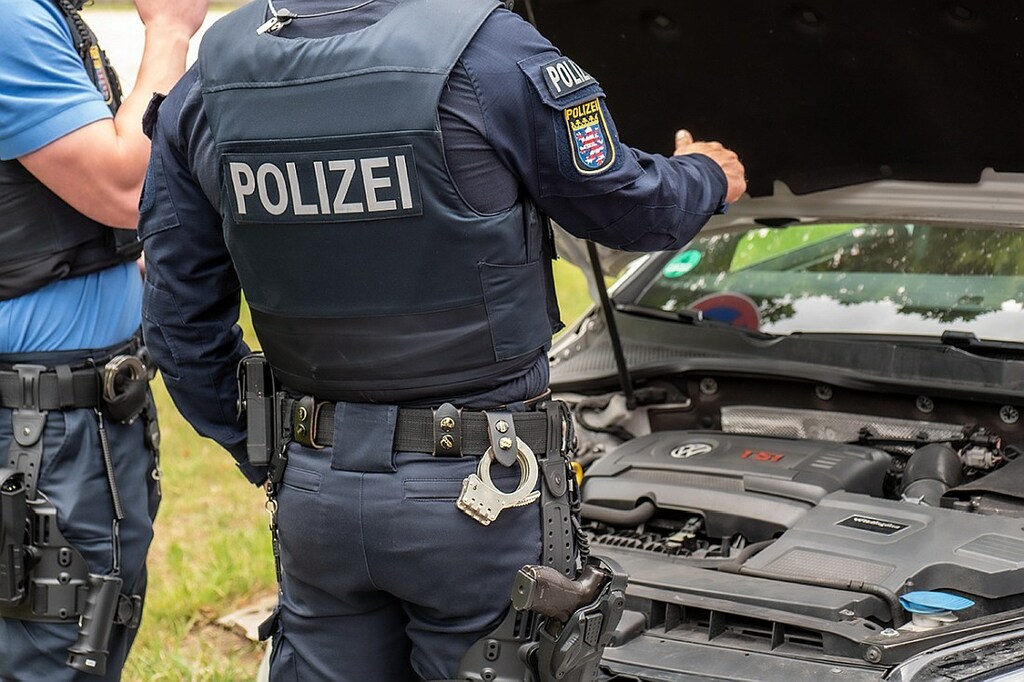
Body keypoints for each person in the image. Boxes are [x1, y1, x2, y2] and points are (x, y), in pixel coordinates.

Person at [138, 0, 745, 679]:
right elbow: (630, 209)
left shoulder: (210, 78)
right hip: (480, 494)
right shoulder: (487, 51)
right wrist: (707, 174)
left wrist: (277, 454)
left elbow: (178, 324)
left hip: (316, 490)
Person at [0, 0, 208, 679]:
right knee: (52, 654)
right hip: (40, 428)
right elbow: (128, 186)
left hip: (68, 416)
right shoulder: (12, 19)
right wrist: (171, 29)